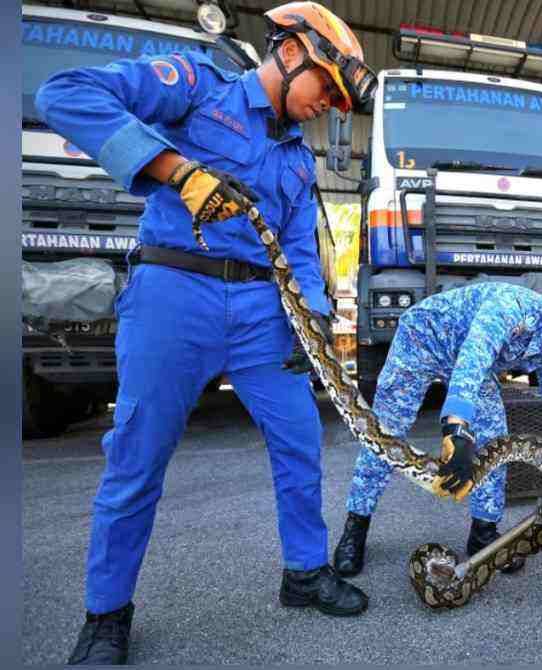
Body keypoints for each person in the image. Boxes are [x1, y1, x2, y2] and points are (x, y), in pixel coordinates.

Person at [35, 2, 378, 664]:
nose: (329, 107)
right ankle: (107, 615)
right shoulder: (197, 85)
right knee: (136, 459)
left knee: (300, 440)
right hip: (173, 292)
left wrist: (311, 325)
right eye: (326, 89)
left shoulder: (296, 162)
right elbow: (65, 93)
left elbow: (301, 252)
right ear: (289, 53)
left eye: (340, 101)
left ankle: (304, 574)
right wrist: (177, 172)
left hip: (260, 312)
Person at [331, 271, 542, 577]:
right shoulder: (511, 307)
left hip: (469, 358)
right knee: (385, 434)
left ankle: (483, 533)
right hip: (423, 338)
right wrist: (456, 429)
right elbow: (472, 361)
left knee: (495, 439)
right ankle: (356, 526)